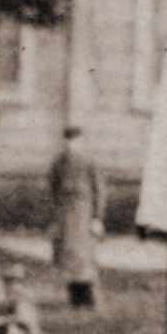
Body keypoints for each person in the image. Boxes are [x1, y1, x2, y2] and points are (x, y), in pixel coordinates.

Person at [48, 126, 105, 312]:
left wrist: (97, 218)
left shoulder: (89, 162)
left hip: (84, 214)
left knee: (84, 258)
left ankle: (88, 299)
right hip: (65, 215)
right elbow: (53, 190)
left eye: (76, 140)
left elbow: (99, 191)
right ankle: (74, 298)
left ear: (82, 141)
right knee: (68, 256)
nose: (72, 145)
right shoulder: (59, 162)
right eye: (68, 140)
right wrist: (54, 219)